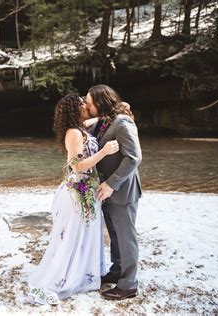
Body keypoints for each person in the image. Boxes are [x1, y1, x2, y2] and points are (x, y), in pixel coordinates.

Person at [26, 93, 120, 305]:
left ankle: (84, 274)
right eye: (81, 103)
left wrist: (116, 110)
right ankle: (65, 278)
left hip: (89, 189)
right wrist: (104, 151)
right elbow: (77, 166)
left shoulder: (80, 127)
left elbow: (95, 119)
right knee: (72, 236)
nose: (85, 105)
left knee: (86, 235)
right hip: (78, 192)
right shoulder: (73, 134)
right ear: (74, 110)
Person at [84, 84, 142, 301]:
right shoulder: (104, 120)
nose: (88, 106)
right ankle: (117, 271)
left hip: (121, 190)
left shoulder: (122, 123)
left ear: (100, 102)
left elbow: (134, 158)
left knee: (126, 237)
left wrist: (111, 184)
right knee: (115, 235)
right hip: (106, 191)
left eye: (90, 103)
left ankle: (129, 285)